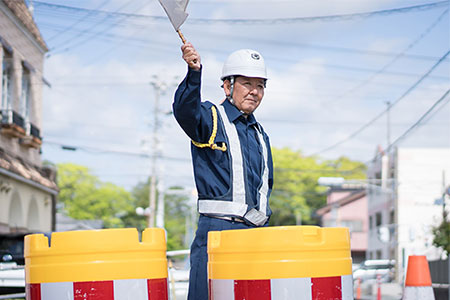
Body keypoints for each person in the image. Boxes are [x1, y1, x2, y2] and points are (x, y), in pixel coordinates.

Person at [173, 42, 273, 300]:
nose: (254, 91)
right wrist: (194, 73)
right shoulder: (211, 118)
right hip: (218, 233)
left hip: (255, 238)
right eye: (247, 84)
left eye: (260, 85)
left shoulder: (261, 135)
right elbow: (185, 111)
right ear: (228, 86)